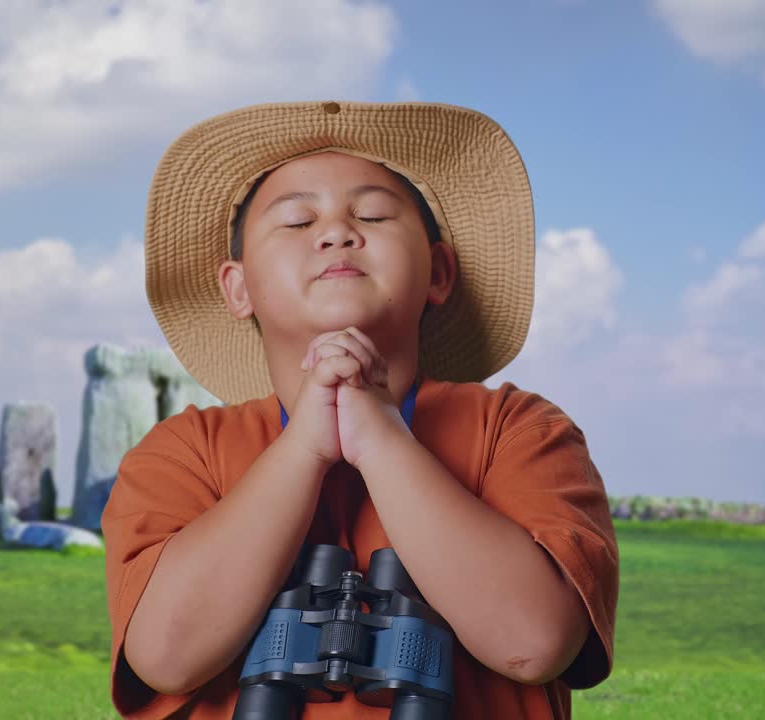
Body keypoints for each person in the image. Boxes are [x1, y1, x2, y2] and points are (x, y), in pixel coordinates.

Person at [102, 100, 618, 719]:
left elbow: (532, 644)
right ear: (237, 288)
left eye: (372, 213)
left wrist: (380, 437)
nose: (336, 232)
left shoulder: (520, 432)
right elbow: (165, 656)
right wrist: (304, 450)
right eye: (296, 222)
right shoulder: (183, 453)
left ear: (440, 271)